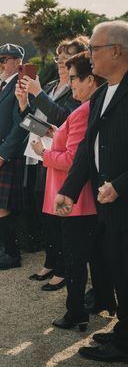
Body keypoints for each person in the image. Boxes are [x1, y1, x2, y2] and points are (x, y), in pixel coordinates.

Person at [56, 20, 128, 363]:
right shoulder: (103, 93)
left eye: (94, 49)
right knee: (116, 266)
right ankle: (124, 330)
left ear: (116, 51)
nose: (89, 56)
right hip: (107, 201)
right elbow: (87, 148)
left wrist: (120, 184)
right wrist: (69, 190)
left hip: (123, 196)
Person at [31, 52, 111, 331]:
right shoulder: (92, 109)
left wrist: (44, 153)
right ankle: (103, 301)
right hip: (88, 199)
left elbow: (73, 161)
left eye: (74, 78)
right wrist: (57, 134)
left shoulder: (83, 112)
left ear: (91, 79)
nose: (71, 84)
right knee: (96, 257)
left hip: (77, 201)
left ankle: (75, 313)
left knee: (75, 261)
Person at [17, 38, 84, 290]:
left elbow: (66, 119)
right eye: (59, 58)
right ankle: (51, 260)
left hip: (60, 159)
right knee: (43, 213)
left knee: (59, 217)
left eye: (67, 59)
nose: (60, 64)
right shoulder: (52, 85)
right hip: (37, 155)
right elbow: (35, 122)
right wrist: (24, 104)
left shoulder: (79, 90)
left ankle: (64, 268)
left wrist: (37, 94)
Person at [0, 43, 29, 270]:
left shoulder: (20, 85)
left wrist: (2, 153)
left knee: (2, 206)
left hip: (6, 156)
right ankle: (6, 248)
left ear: (18, 62)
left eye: (4, 59)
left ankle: (12, 254)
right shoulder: (4, 86)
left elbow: (21, 125)